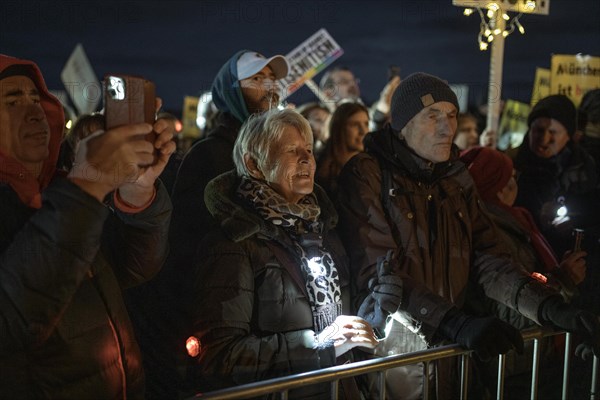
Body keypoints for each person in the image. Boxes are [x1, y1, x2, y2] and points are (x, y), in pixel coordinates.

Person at [335, 72, 600, 400]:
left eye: (451, 116)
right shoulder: (367, 174)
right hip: (392, 357)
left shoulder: (455, 178)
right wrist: (455, 322)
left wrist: (550, 307)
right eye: (433, 117)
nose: (447, 128)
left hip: (452, 355)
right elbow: (378, 271)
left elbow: (490, 259)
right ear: (401, 124)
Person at [0, 54, 176, 398]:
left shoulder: (58, 190)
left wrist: (136, 193)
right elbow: (12, 321)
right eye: (12, 101)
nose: (34, 110)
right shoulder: (70, 195)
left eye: (36, 98)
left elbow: (133, 268)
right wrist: (85, 187)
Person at [185, 108, 377, 398]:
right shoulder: (233, 242)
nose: (306, 160)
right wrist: (318, 346)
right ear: (254, 165)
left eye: (309, 150)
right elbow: (219, 355)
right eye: (291, 151)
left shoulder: (324, 228)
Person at [139, 50, 289, 398]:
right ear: (232, 91)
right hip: (223, 319)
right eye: (256, 80)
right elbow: (187, 246)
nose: (270, 87)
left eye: (273, 79)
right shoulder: (209, 155)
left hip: (266, 316)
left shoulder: (273, 153)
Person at [460, 146, 588, 398]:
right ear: (497, 185)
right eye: (509, 177)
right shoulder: (492, 230)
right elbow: (510, 309)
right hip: (518, 362)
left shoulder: (516, 218)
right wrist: (563, 281)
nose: (514, 183)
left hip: (533, 355)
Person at [512, 94, 599, 257]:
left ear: (568, 135)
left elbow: (593, 215)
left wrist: (575, 225)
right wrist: (537, 221)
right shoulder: (511, 167)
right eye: (538, 130)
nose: (544, 139)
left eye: (553, 132)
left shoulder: (588, 170)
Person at [319, 65, 401, 130]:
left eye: (354, 80)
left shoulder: (369, 110)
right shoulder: (320, 121)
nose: (352, 85)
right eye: (344, 82)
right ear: (328, 93)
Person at [316, 101, 369, 198]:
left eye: (366, 124)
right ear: (339, 128)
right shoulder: (320, 169)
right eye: (355, 125)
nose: (363, 131)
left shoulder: (372, 163)